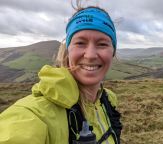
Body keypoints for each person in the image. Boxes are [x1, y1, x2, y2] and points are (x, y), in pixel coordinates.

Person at [0, 3, 122, 144]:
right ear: (68, 50)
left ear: (113, 51)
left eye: (102, 44)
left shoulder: (108, 100)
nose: (90, 55)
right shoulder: (33, 114)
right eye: (80, 43)